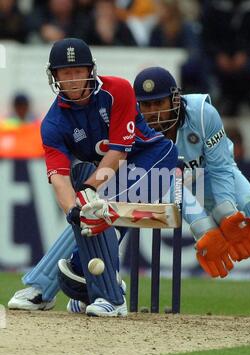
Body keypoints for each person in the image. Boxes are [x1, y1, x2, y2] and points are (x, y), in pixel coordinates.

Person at [8, 39, 178, 317]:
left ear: (91, 70)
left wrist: (87, 190)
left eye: (78, 71)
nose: (73, 79)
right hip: (109, 177)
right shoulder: (52, 124)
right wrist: (73, 210)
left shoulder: (118, 90)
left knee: (97, 210)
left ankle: (108, 294)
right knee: (85, 215)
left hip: (153, 160)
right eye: (65, 73)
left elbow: (118, 154)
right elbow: (59, 178)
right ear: (55, 77)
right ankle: (49, 288)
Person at [132, 66, 250, 318]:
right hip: (163, 184)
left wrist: (226, 212)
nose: (153, 113)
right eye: (146, 106)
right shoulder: (133, 128)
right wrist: (203, 227)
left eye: (159, 103)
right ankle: (93, 290)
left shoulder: (202, 113)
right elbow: (162, 182)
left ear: (175, 99)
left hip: (209, 175)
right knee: (105, 205)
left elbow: (221, 167)